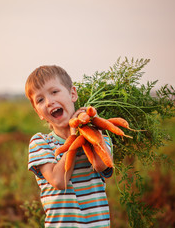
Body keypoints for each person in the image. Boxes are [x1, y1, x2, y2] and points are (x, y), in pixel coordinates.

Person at [25, 65, 113, 227]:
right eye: (40, 100)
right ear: (38, 112)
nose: (49, 102)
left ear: (72, 94)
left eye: (54, 92)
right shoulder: (40, 143)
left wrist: (92, 127)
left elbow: (101, 164)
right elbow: (59, 181)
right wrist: (73, 137)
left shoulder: (99, 136)